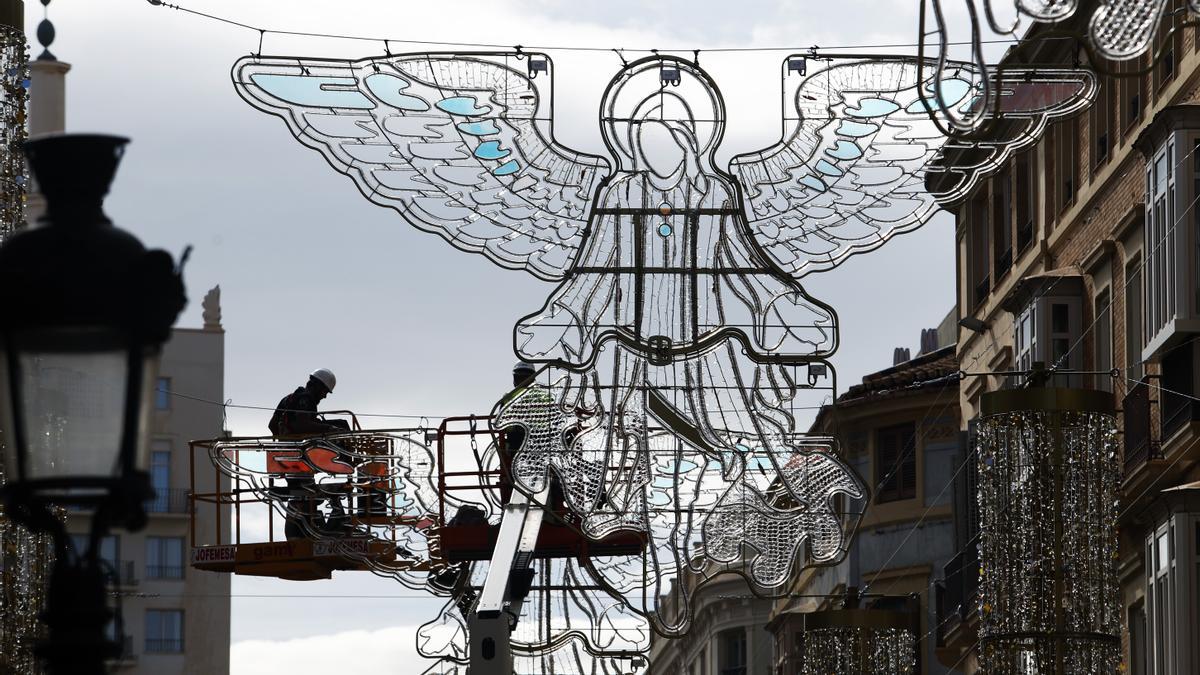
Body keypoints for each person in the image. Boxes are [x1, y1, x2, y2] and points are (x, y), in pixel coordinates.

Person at [269, 368, 351, 539]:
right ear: (316, 386)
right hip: (298, 456)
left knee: (302, 492)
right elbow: (302, 424)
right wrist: (328, 429)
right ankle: (348, 464)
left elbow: (272, 425)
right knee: (304, 493)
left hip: (288, 456)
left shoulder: (289, 398)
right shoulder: (306, 399)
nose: (324, 396)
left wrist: (284, 440)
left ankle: (307, 524)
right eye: (324, 392)